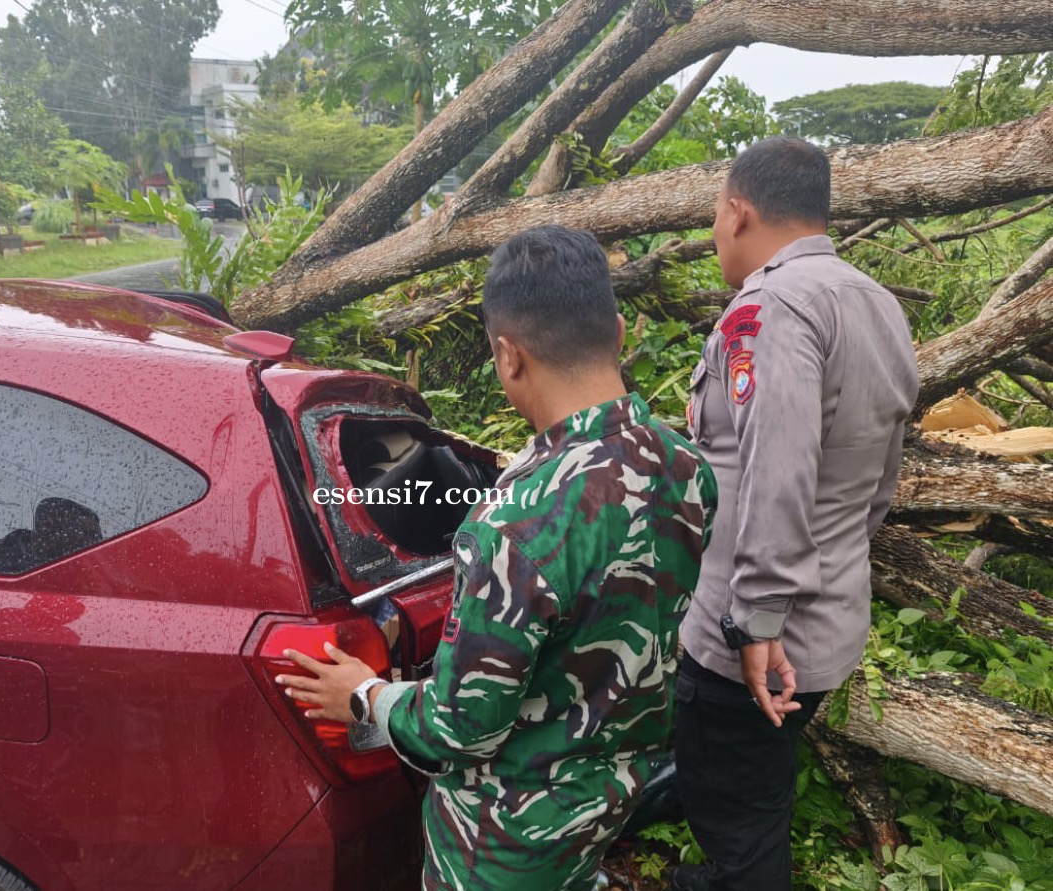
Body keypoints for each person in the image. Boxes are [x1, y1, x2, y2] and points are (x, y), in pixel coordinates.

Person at [277, 224, 718, 891]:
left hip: (506, 844)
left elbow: (460, 730)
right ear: (620, 332)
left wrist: (365, 697)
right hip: (605, 803)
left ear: (508, 357)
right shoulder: (685, 467)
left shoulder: (513, 525)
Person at [672, 137, 919, 891]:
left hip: (751, 645)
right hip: (829, 620)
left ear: (738, 212)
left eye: (716, 216)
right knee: (757, 790)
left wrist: (757, 621)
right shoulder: (875, 302)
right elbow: (880, 482)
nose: (716, 231)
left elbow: (776, 473)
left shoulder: (770, 309)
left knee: (734, 813)